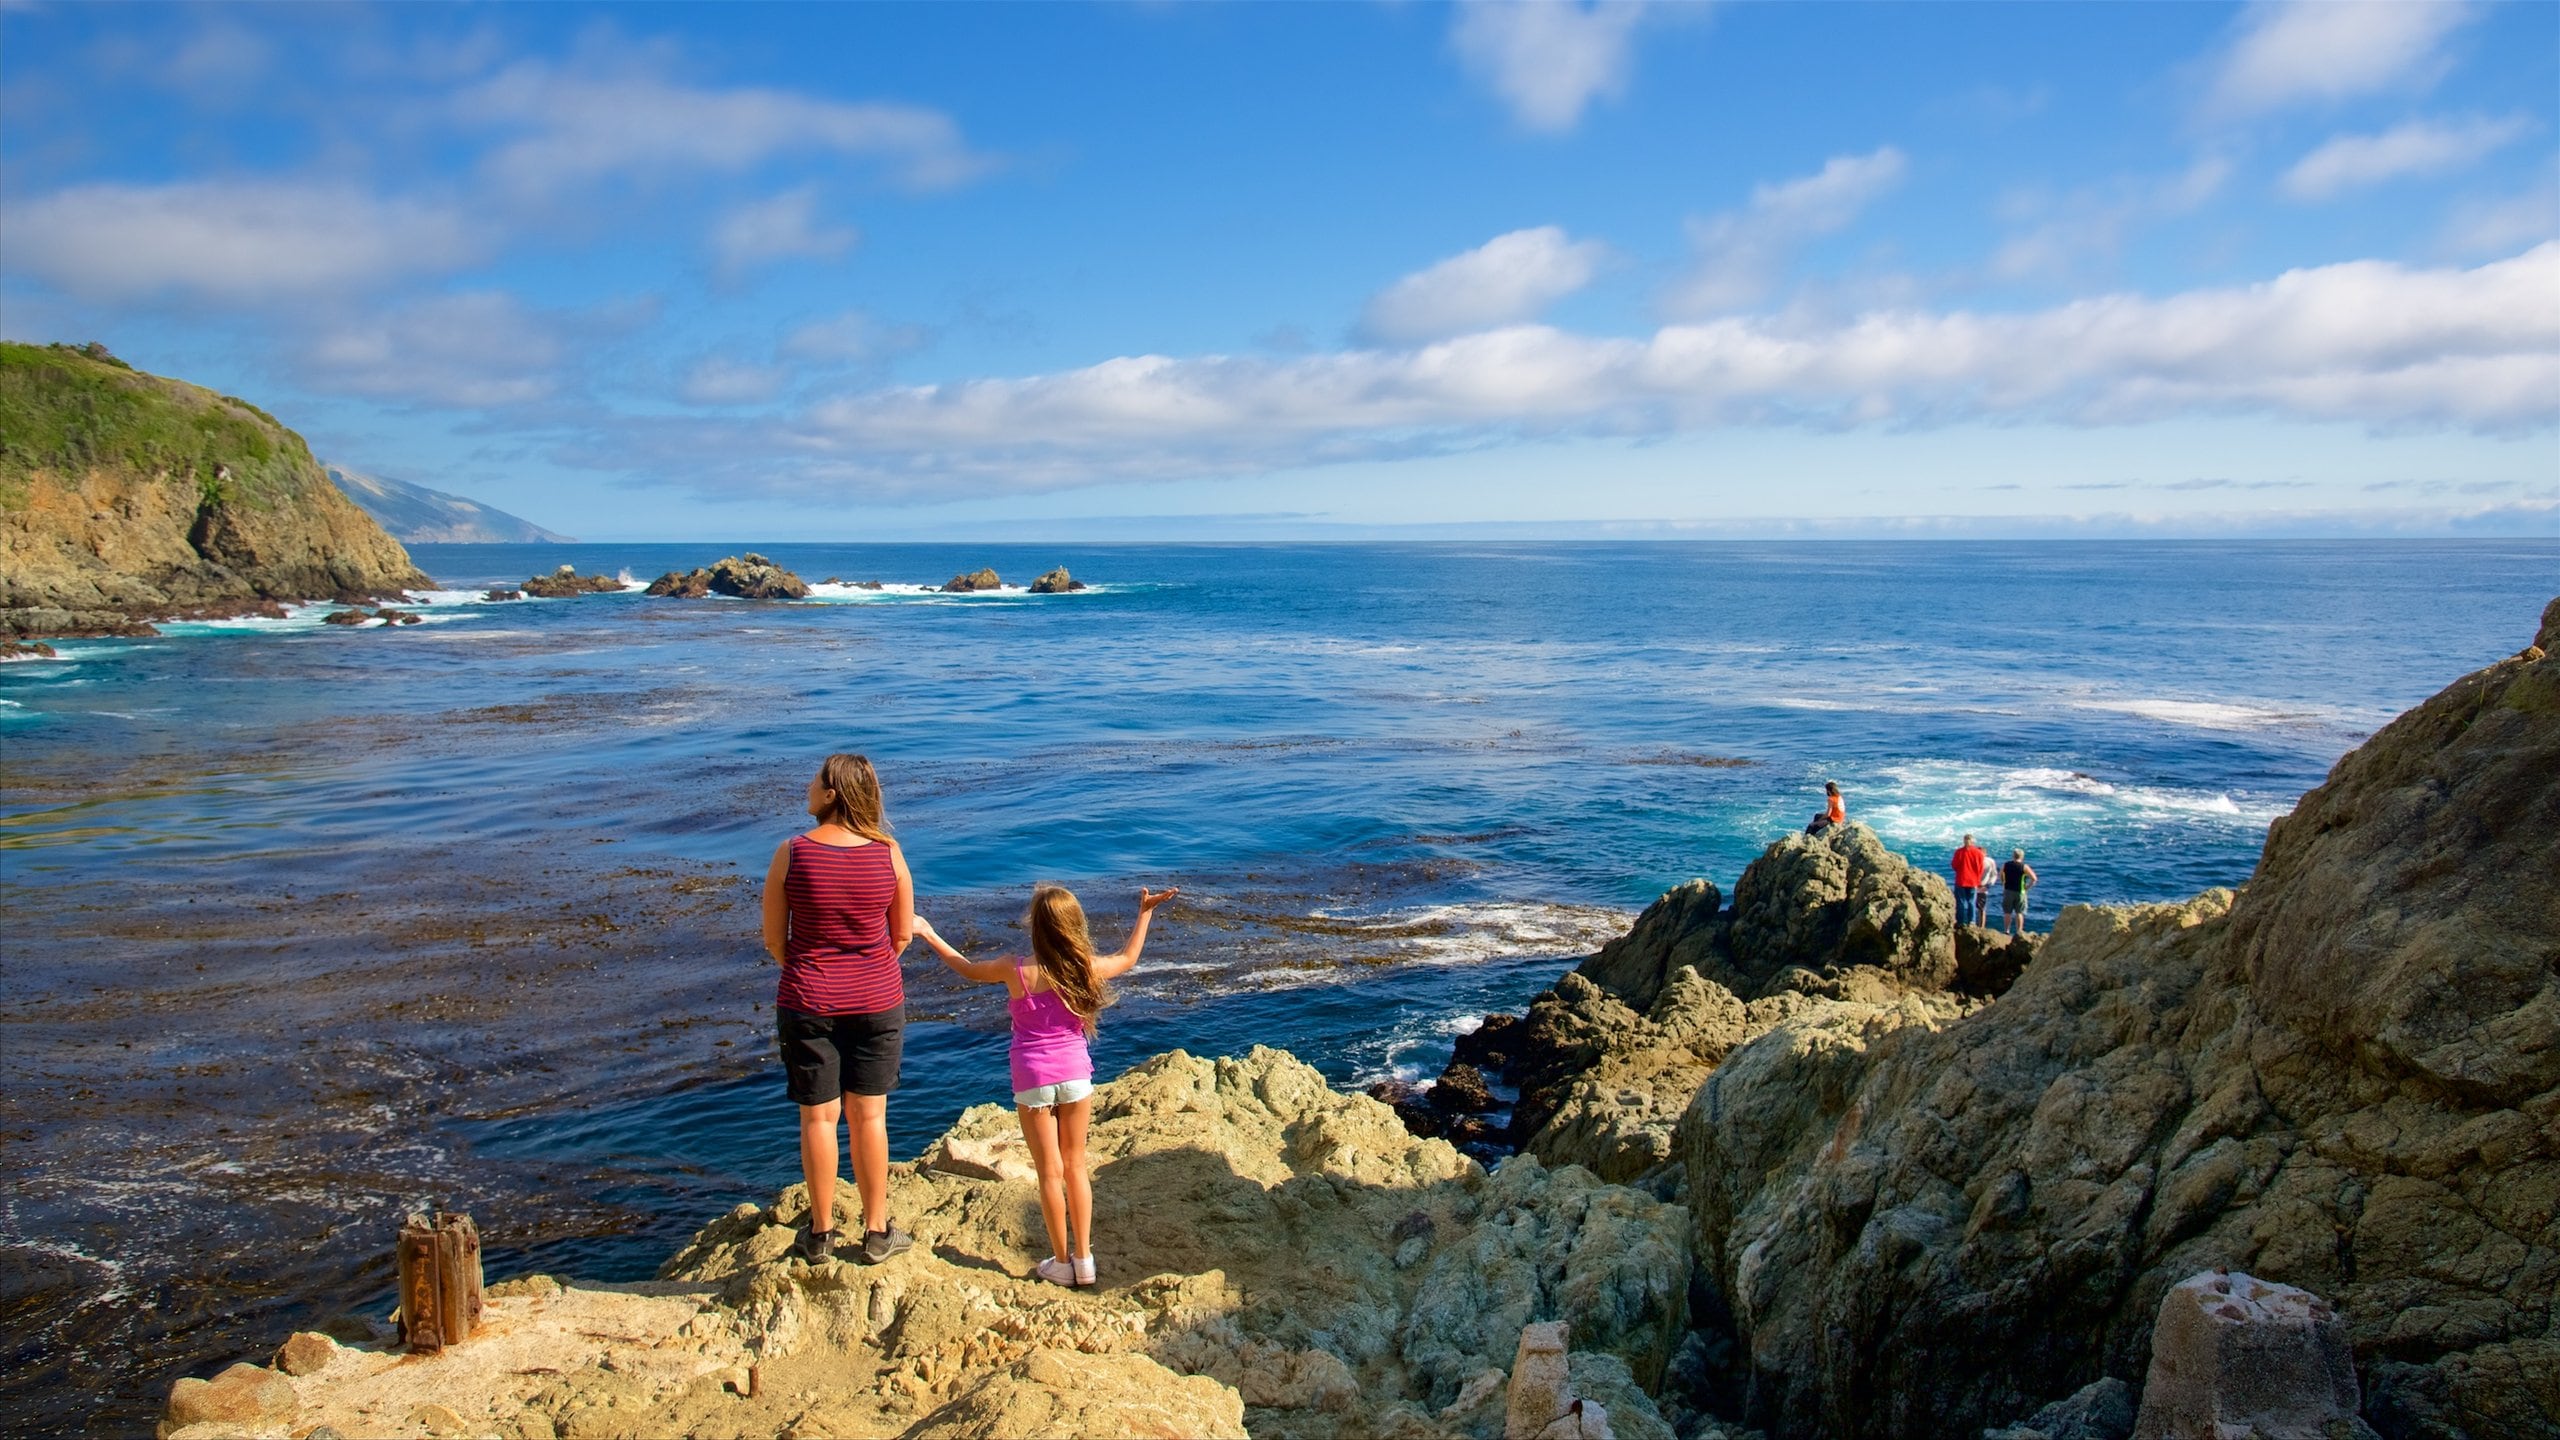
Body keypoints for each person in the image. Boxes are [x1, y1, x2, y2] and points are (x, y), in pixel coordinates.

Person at [912, 883, 1177, 1288]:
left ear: (1036, 926)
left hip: (1032, 1079)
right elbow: (1128, 958)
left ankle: (1061, 1262)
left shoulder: (1014, 969)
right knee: (1076, 1167)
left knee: (1050, 1174)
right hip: (1075, 1077)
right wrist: (1145, 912)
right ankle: (1085, 1261)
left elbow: (965, 967)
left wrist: (929, 933)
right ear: (1074, 925)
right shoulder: (1083, 968)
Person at [761, 753, 916, 1265]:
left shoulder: (792, 852)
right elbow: (901, 934)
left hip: (808, 999)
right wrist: (866, 970)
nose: (807, 786)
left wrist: (814, 967)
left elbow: (774, 940)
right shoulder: (888, 852)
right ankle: (877, 1232)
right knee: (870, 1115)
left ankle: (821, 1233)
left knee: (818, 1119)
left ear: (831, 794)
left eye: (815, 780)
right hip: (877, 999)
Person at [1951, 833, 1990, 927]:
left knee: (1960, 902)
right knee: (1971, 901)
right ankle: (1971, 921)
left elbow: (1954, 865)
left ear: (1964, 841)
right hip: (1973, 881)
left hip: (1961, 879)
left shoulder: (1959, 852)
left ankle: (1960, 921)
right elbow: (1980, 868)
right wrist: (1977, 878)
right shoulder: (1978, 853)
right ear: (1973, 841)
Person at [2001, 848, 2039, 937]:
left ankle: (2006, 931)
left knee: (2007, 912)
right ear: (2022, 857)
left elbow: (2001, 874)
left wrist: (2003, 883)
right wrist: (2027, 888)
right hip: (2020, 892)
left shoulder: (2006, 865)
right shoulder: (2024, 867)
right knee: (2019, 912)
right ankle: (2019, 931)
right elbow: (2034, 879)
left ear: (2013, 856)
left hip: (2008, 890)